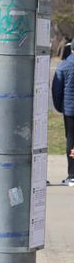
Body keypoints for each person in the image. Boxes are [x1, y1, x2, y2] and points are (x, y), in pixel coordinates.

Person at [52, 51, 74, 186]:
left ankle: (72, 174)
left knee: (71, 140)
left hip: (70, 110)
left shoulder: (64, 66)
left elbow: (56, 90)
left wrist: (59, 107)